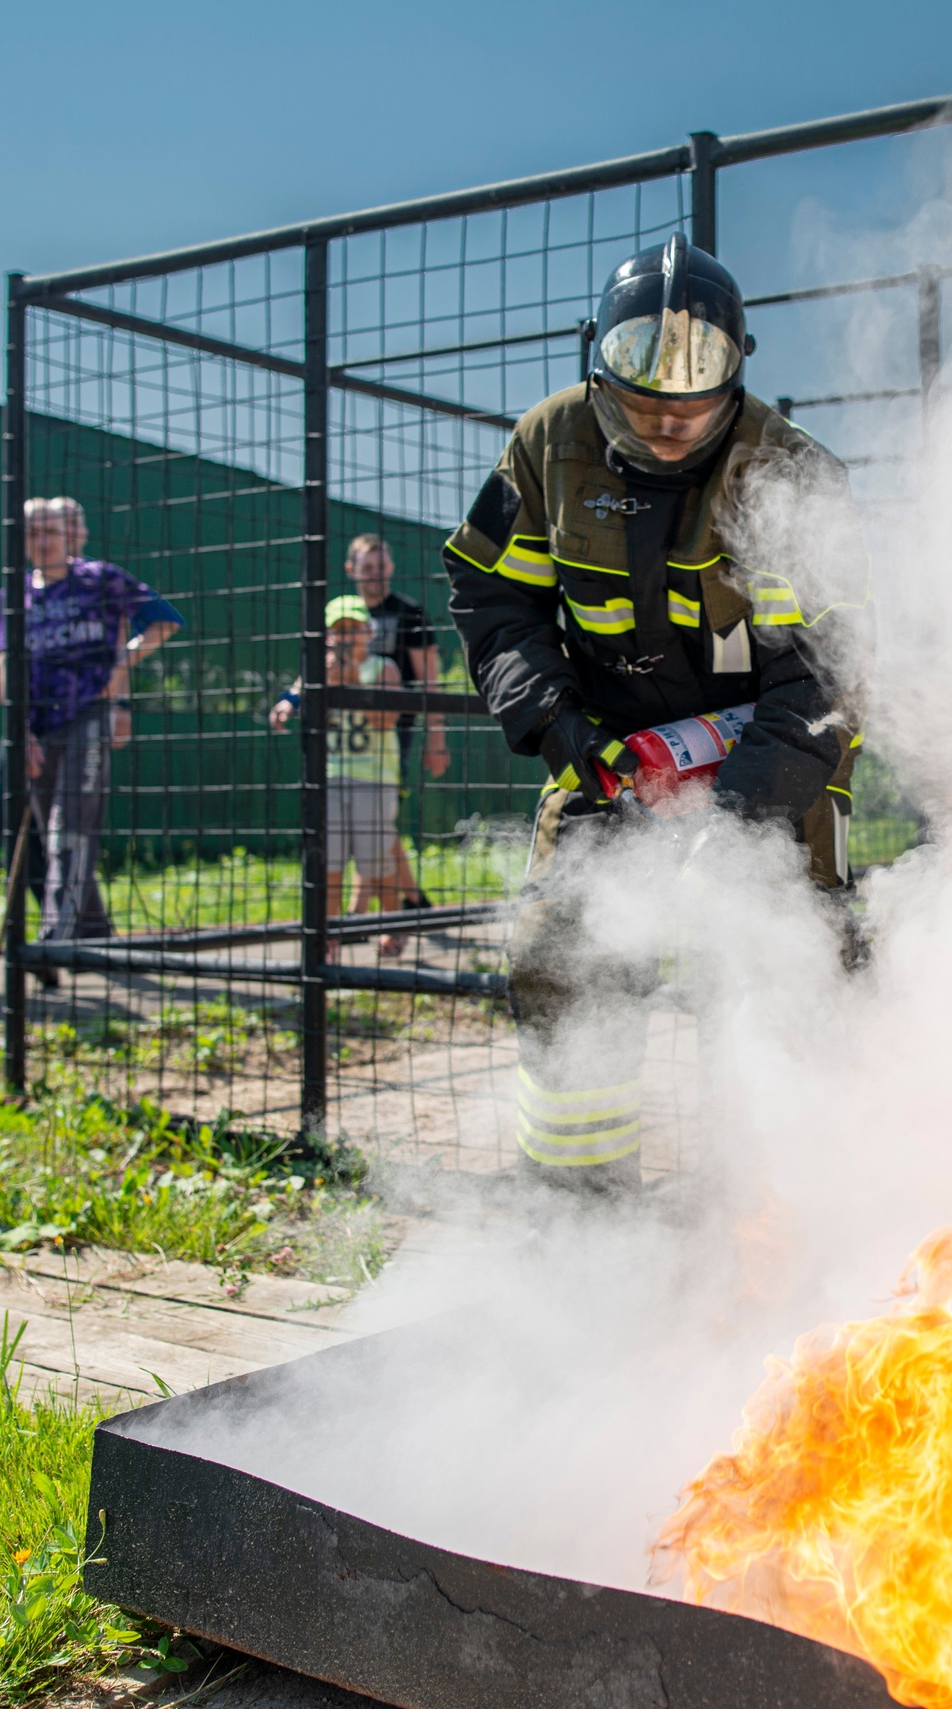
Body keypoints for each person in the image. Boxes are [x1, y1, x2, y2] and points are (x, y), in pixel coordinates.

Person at [444, 235, 869, 1191]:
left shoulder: (794, 473)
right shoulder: (547, 444)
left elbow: (831, 678)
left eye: (696, 399)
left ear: (740, 371)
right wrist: (559, 727)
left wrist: (741, 821)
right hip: (608, 755)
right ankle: (578, 1210)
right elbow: (494, 599)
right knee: (564, 964)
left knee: (779, 979)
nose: (670, 421)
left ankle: (779, 1220)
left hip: (771, 766)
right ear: (595, 360)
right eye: (642, 400)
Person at [0, 496, 182, 947]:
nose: (41, 541)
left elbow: (164, 621)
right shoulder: (17, 590)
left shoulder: (100, 578)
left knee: (71, 827)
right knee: (47, 833)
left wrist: (118, 678)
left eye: (51, 531)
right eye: (31, 532)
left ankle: (53, 936)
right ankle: (97, 933)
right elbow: (8, 662)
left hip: (88, 716)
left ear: (74, 534)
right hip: (37, 725)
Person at [268, 533, 450, 908]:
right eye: (368, 568)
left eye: (381, 567)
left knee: (376, 824)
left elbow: (430, 680)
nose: (375, 575)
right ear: (352, 570)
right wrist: (290, 699)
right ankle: (404, 901)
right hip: (338, 742)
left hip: (389, 734)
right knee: (363, 828)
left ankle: (372, 908)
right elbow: (310, 673)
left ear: (392, 568)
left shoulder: (408, 612)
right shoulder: (338, 614)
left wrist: (437, 740)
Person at [316, 595, 408, 957]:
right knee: (330, 864)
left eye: (354, 629)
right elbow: (305, 715)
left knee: (377, 862)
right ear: (327, 636)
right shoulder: (318, 670)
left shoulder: (383, 669)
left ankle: (392, 926)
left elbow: (387, 721)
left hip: (376, 778)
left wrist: (352, 684)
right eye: (339, 631)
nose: (347, 637)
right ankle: (329, 937)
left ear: (368, 632)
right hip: (333, 778)